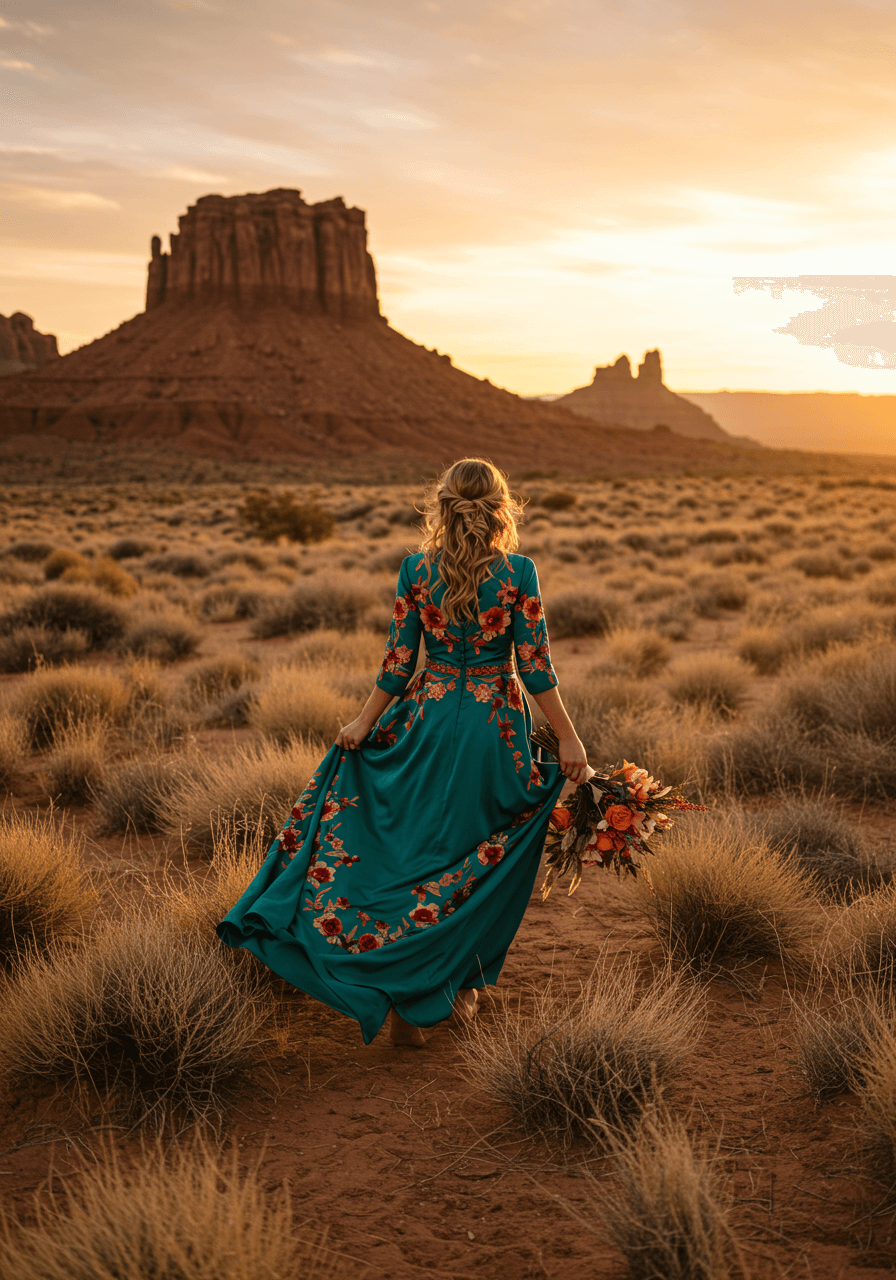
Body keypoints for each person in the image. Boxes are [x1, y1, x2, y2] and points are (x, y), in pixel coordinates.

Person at [217, 457, 589, 1047]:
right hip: (494, 731)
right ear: (502, 507)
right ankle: (448, 990)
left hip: (426, 721)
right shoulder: (519, 571)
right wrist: (569, 738)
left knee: (411, 854)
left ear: (441, 505)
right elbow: (536, 665)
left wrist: (363, 724)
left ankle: (397, 996)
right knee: (476, 859)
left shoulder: (415, 570)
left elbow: (398, 663)